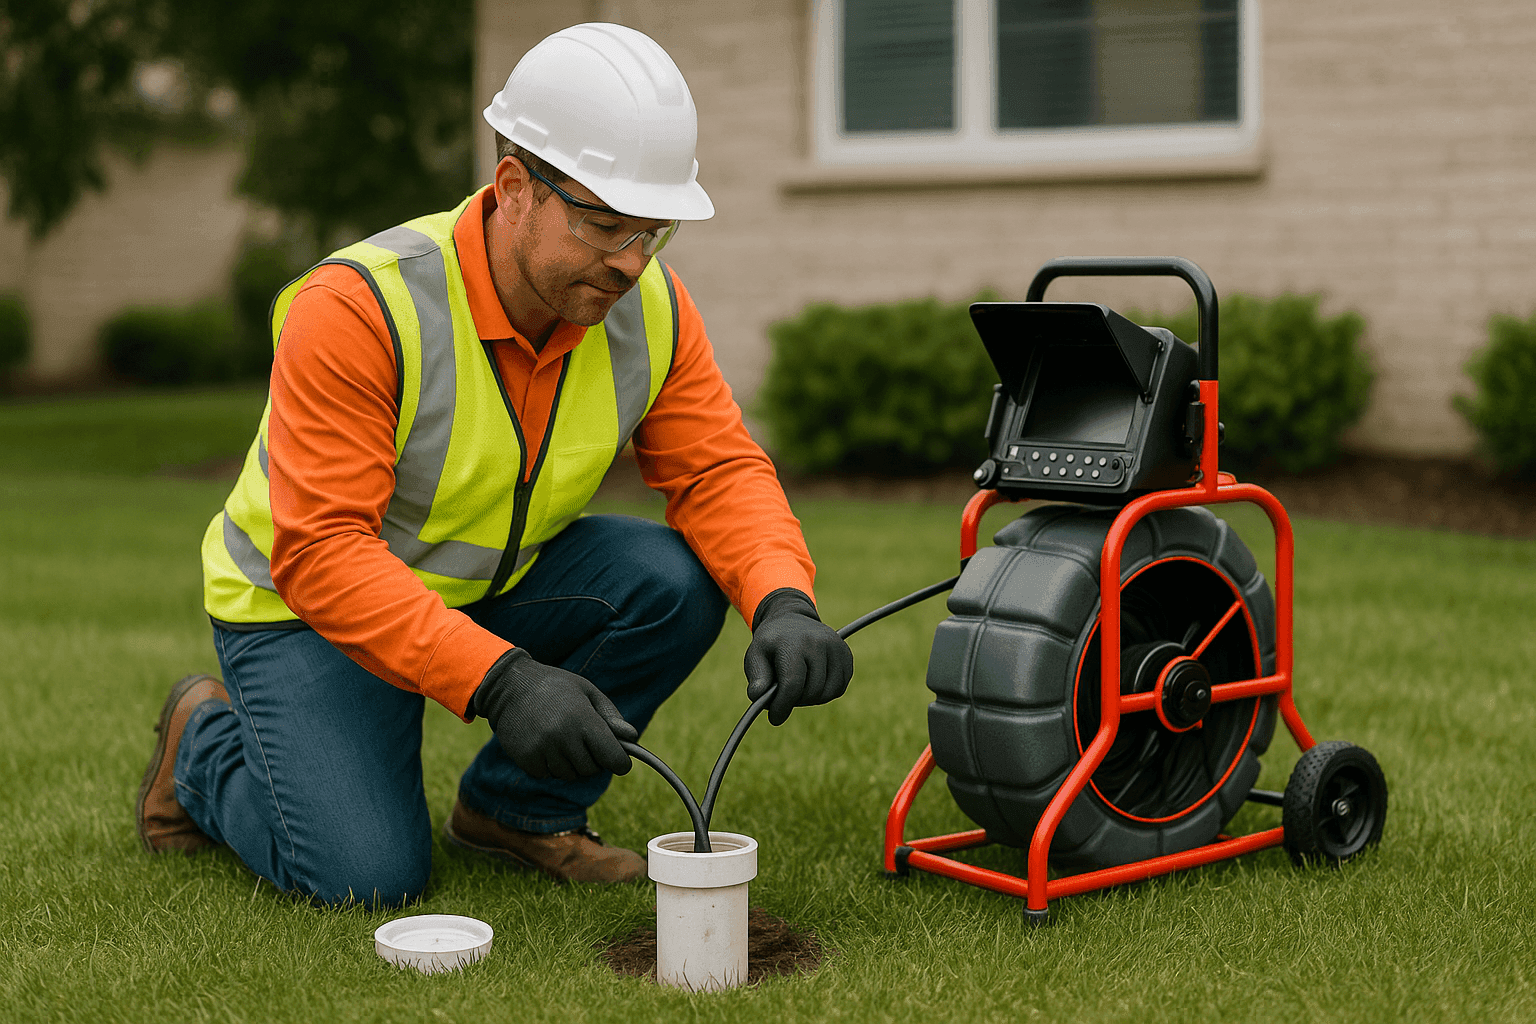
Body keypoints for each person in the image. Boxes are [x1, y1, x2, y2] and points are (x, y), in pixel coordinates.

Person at [135, 23, 854, 906]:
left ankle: (518, 812)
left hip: (483, 585)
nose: (632, 262)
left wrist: (784, 597)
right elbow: (320, 551)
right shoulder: (358, 308)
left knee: (674, 579)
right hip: (303, 609)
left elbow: (716, 473)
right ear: (515, 187)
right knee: (365, 878)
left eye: (655, 231)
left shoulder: (649, 306)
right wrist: (502, 681)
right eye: (604, 224)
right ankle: (201, 743)